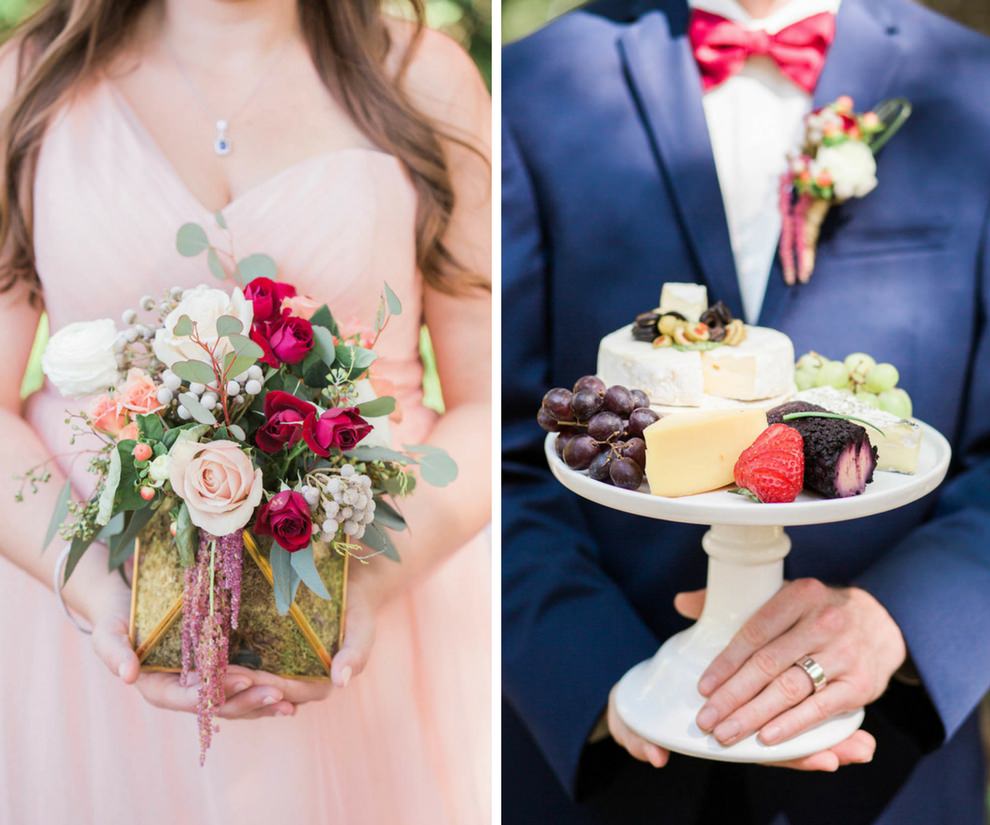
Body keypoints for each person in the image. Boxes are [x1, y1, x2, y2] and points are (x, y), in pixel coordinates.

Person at [0, 1, 491, 823]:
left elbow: (490, 403)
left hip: (381, 608)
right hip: (81, 642)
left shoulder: (422, 76)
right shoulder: (30, 81)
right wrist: (98, 597)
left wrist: (360, 588)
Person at [502, 0, 990, 821]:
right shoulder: (532, 84)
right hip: (600, 762)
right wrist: (599, 677)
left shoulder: (974, 89)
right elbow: (509, 437)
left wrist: (900, 620)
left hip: (888, 762)